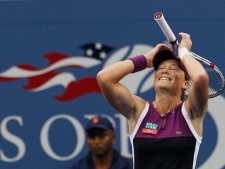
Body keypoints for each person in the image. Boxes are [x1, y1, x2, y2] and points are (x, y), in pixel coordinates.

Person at [96, 32, 209, 169]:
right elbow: (104, 78)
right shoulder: (139, 111)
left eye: (173, 69)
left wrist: (184, 51)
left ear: (185, 83)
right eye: (160, 68)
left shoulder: (191, 112)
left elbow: (201, 77)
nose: (164, 71)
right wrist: (145, 60)